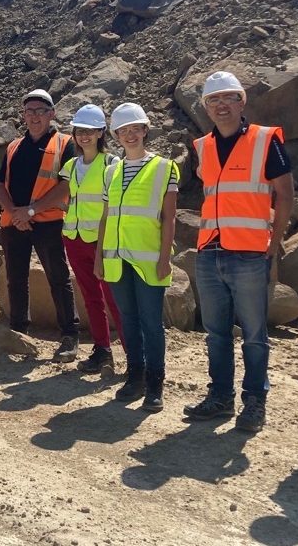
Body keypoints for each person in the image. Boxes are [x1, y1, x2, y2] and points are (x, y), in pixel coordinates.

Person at [183, 71, 294, 433]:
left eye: (228, 98)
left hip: (249, 253)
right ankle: (220, 396)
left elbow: (286, 194)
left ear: (241, 101)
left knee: (254, 333)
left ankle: (254, 401)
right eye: (213, 100)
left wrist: (274, 246)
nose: (221, 105)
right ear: (206, 107)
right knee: (215, 332)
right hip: (210, 251)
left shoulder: (265, 141)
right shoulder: (203, 147)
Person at [93, 103, 179, 412]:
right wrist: (99, 256)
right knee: (127, 320)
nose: (130, 135)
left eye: (135, 129)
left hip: (149, 259)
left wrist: (165, 258)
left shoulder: (164, 167)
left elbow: (170, 218)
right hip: (116, 259)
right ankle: (136, 376)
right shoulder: (111, 171)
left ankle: (155, 384)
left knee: (151, 323)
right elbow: (106, 216)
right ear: (116, 135)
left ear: (144, 131)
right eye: (123, 131)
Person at [0, 90, 80, 361]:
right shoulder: (13, 147)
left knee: (58, 278)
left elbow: (67, 186)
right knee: (16, 278)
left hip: (48, 222)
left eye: (40, 111)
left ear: (51, 114)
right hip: (14, 223)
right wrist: (14, 213)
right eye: (29, 111)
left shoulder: (65, 144)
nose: (34, 116)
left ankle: (70, 334)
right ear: (23, 115)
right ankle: (19, 331)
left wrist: (30, 211)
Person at [59, 104, 123, 376]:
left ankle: (134, 356)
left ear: (101, 133)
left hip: (102, 241)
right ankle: (102, 350)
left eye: (90, 131)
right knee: (90, 297)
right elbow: (68, 198)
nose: (84, 136)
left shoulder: (111, 164)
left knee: (114, 298)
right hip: (74, 238)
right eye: (80, 131)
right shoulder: (71, 165)